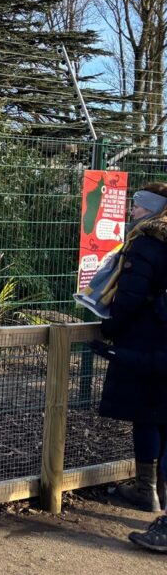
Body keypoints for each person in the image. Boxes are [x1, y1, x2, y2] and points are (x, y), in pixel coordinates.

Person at [91, 182, 167, 523]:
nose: (132, 212)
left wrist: (111, 327)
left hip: (145, 339)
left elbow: (131, 296)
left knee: (146, 415)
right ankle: (158, 490)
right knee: (162, 416)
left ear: (152, 209)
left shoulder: (146, 243)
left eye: (137, 206)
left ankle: (145, 490)